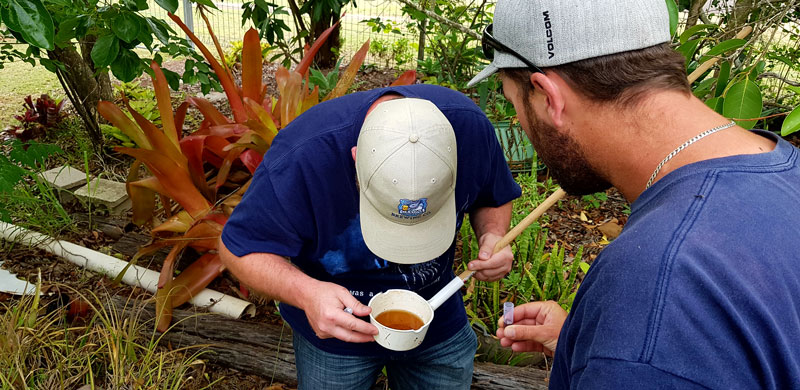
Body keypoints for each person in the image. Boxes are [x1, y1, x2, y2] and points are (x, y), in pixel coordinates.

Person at [467, 0, 800, 388]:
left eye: (513, 104)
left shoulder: (657, 285)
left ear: (547, 96)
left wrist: (628, 352)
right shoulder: (781, 166)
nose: (519, 124)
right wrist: (593, 345)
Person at [219, 84, 522, 389]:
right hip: (335, 331)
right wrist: (306, 293)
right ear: (355, 156)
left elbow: (492, 194)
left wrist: (493, 235)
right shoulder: (303, 156)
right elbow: (237, 248)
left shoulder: (468, 128)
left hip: (435, 311)